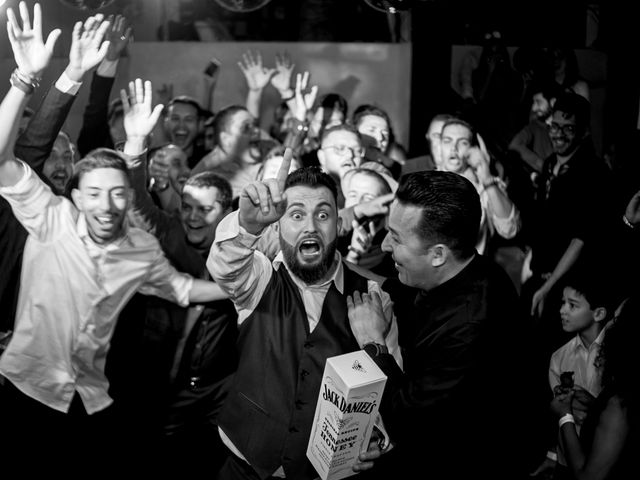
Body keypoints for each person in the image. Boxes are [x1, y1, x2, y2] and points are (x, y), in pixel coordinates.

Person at [0, 5, 226, 467]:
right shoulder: (50, 215)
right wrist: (25, 78)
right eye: (96, 193)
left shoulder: (141, 246)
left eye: (118, 194)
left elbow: (181, 289)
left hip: (92, 399)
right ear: (76, 196)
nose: (107, 204)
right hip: (24, 392)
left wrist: (241, 288)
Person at [207, 150, 401, 480]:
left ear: (339, 225)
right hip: (243, 466)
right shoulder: (260, 279)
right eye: (296, 215)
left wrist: (377, 437)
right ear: (277, 225)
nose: (309, 226)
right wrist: (247, 224)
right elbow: (226, 265)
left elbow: (384, 390)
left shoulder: (373, 296)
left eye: (322, 215)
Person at [346, 170, 532, 479]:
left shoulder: (469, 326)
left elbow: (409, 418)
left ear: (437, 254)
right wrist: (342, 265)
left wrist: (372, 343)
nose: (386, 247)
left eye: (396, 238)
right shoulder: (464, 267)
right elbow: (401, 289)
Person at [531, 268, 619, 479]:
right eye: (563, 302)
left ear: (598, 313)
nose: (562, 310)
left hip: (604, 461)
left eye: (572, 305)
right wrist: (553, 456)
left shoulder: (617, 353)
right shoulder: (559, 358)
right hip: (567, 461)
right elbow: (559, 415)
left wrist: (594, 406)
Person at [549, 294, 639, 479]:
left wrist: (565, 416)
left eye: (616, 320)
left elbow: (587, 477)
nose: (609, 326)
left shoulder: (620, 403)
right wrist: (594, 406)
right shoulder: (559, 357)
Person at [438, 117, 521, 255]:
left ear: (473, 149)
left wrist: (486, 178)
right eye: (447, 141)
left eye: (462, 142)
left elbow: (510, 230)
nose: (454, 148)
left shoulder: (485, 186)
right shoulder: (425, 182)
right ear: (439, 145)